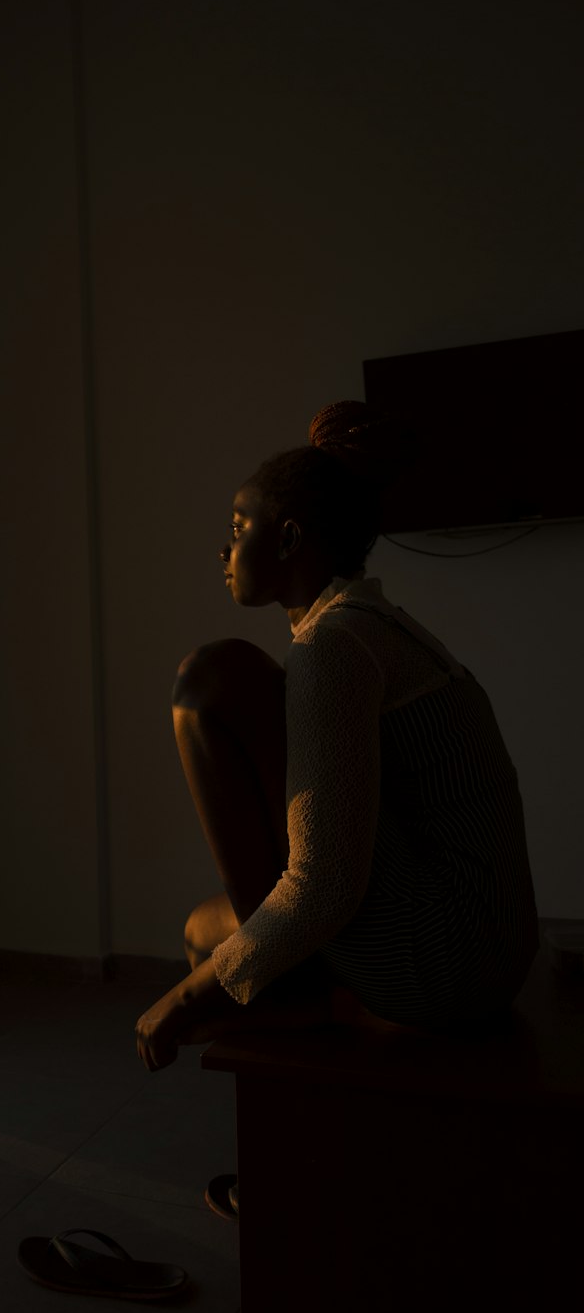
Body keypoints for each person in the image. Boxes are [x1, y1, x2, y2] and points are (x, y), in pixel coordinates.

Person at [134, 400, 539, 1074]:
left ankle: (302, 1030)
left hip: (440, 960)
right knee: (206, 931)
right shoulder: (372, 623)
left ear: (289, 539)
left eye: (239, 528)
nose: (225, 549)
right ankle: (309, 1017)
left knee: (211, 681)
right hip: (485, 952)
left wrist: (178, 1000)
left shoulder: (334, 647)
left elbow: (323, 889)